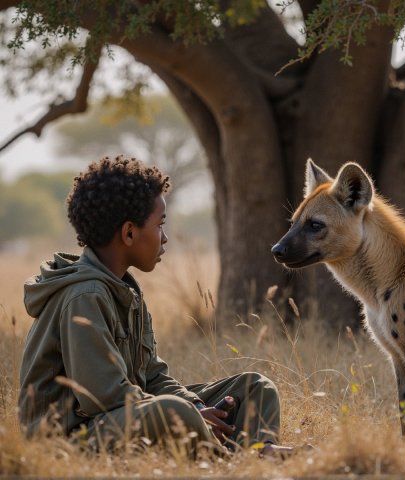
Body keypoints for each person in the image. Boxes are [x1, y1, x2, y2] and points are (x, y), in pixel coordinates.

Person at [18, 155, 291, 458]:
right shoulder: (85, 296)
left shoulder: (125, 289)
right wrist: (188, 412)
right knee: (174, 412)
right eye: (160, 225)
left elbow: (153, 376)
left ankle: (259, 451)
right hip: (71, 438)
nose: (165, 237)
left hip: (123, 414)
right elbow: (104, 396)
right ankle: (228, 460)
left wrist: (199, 406)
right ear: (129, 233)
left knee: (255, 387)